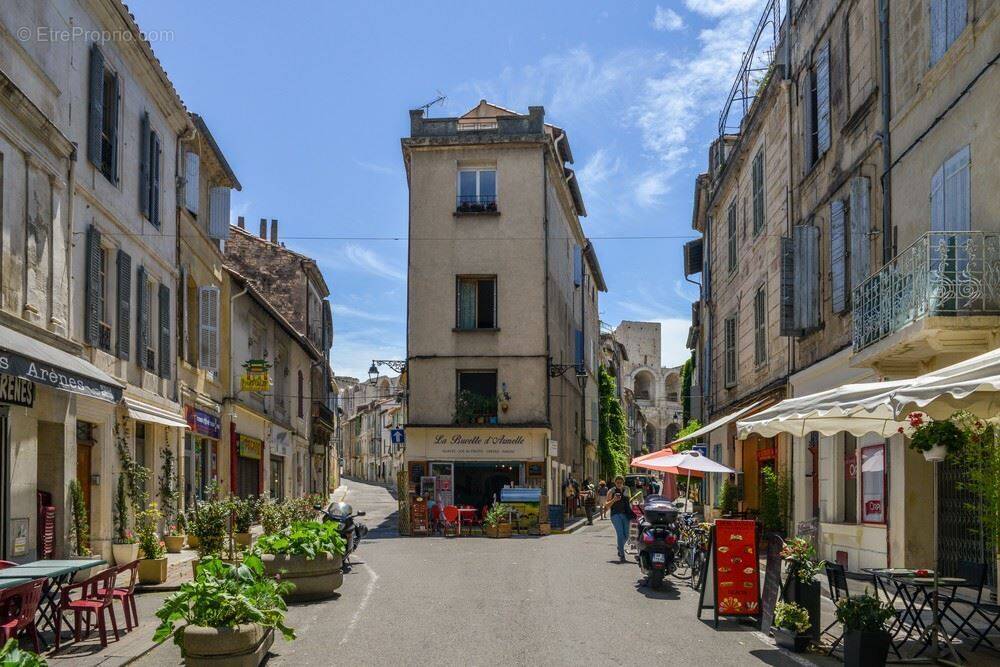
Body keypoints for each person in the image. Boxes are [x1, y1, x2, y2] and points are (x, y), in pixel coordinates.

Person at [605, 476, 632, 562]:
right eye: (617, 482)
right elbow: (607, 505)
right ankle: (622, 555)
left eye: (621, 482)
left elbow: (629, 501)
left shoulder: (627, 489)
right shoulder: (611, 491)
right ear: (615, 483)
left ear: (623, 482)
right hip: (615, 515)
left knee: (627, 535)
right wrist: (614, 500)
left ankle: (619, 546)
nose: (619, 484)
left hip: (626, 515)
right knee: (620, 534)